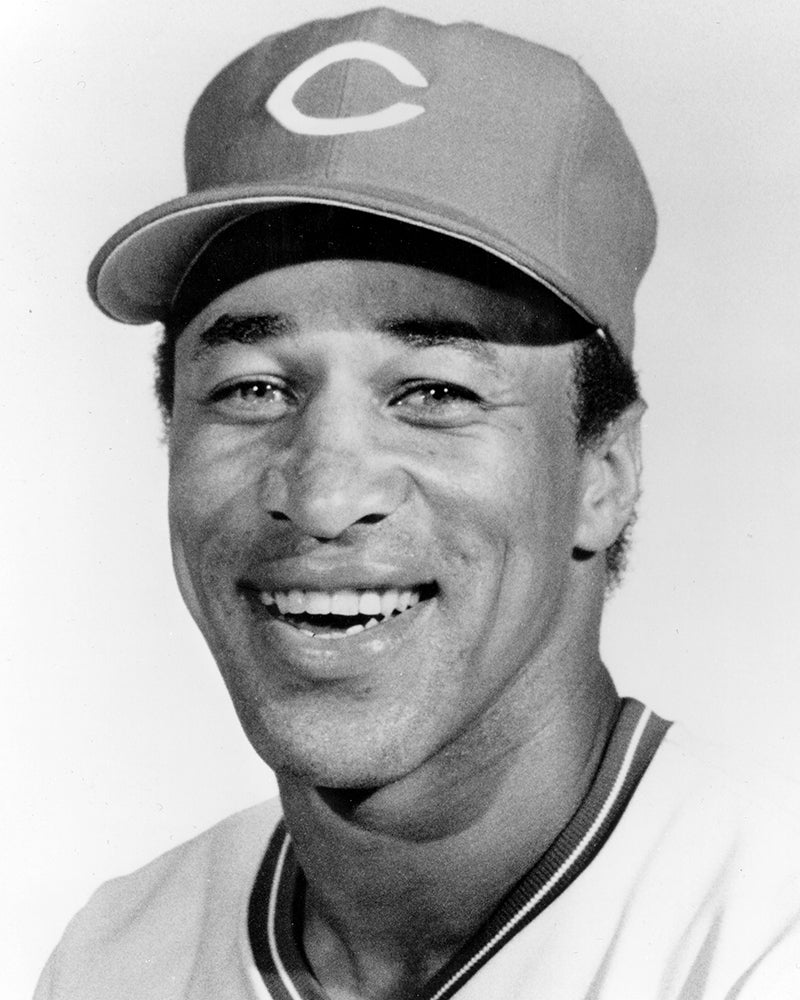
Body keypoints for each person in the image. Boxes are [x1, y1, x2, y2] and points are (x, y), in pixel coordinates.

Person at [36, 8, 800, 999]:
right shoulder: (113, 958)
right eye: (250, 389)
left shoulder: (759, 935)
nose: (321, 493)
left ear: (602, 475)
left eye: (434, 391)